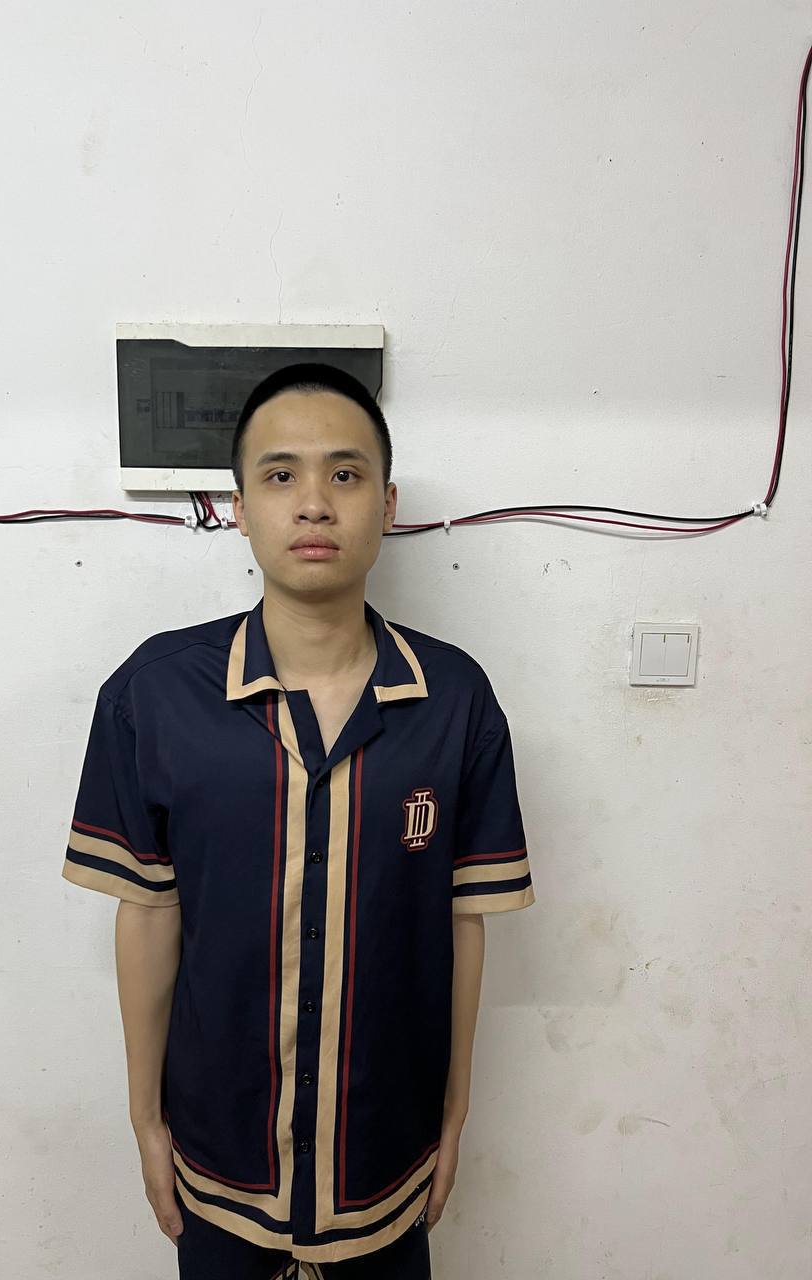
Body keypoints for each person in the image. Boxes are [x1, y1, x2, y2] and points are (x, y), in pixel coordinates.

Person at [62, 362, 535, 1278]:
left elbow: (462, 923)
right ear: (240, 508)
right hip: (219, 1158)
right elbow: (148, 912)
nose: (314, 503)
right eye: (281, 475)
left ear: (387, 504)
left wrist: (454, 1114)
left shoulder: (455, 700)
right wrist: (145, 1119)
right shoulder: (155, 696)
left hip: (383, 1159)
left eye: (345, 473)